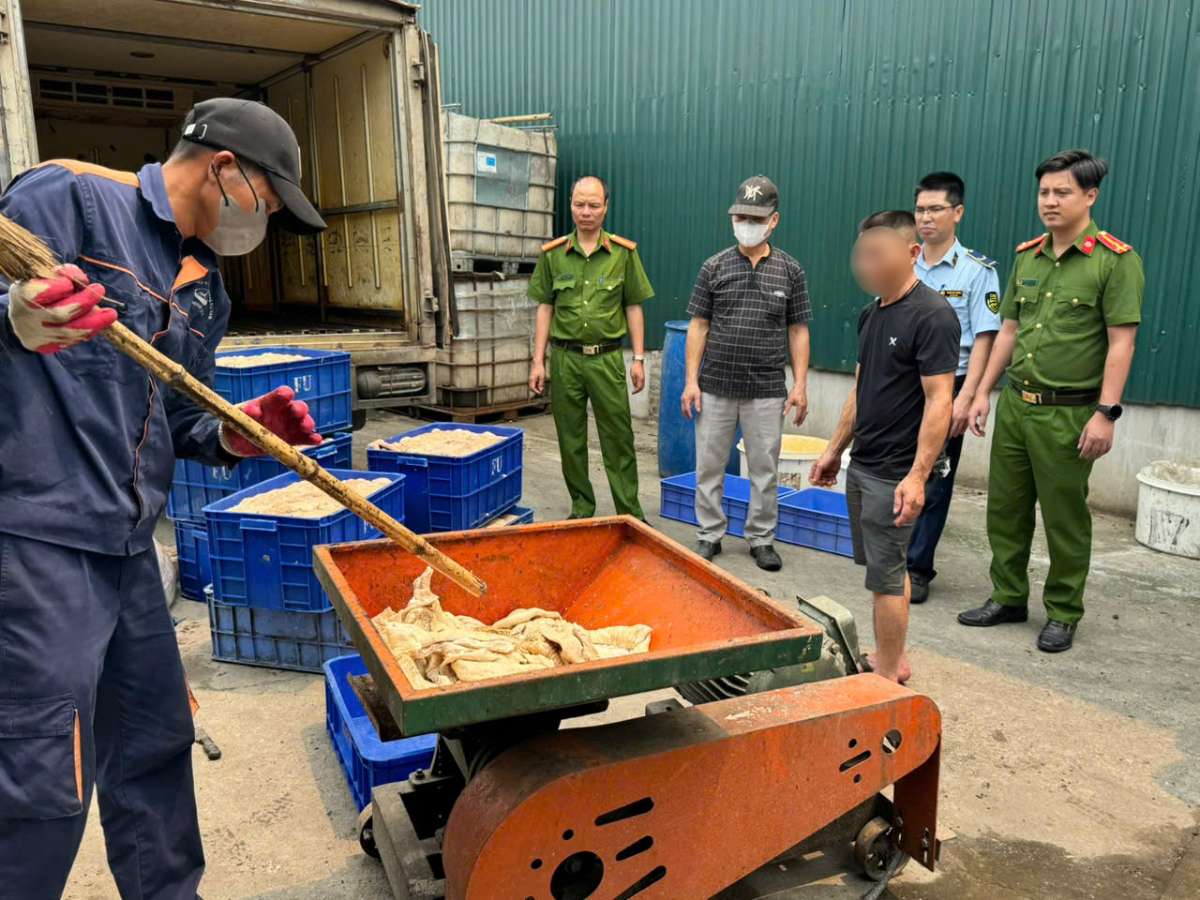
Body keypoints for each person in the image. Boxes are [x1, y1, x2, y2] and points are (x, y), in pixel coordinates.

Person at [0, 97, 326, 899]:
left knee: (152, 741)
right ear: (224, 169)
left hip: (130, 547)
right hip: (40, 537)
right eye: (269, 201)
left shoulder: (206, 287)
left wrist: (233, 434)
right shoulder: (66, 198)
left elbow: (180, 414)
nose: (264, 221)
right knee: (44, 765)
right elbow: (14, 312)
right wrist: (11, 318)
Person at [959, 150, 1144, 653]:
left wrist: (1106, 414)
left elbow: (1121, 343)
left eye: (1062, 192)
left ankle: (1063, 610)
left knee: (1064, 516)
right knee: (1006, 509)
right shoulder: (1028, 256)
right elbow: (1010, 330)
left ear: (1090, 195)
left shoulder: (1115, 262)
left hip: (1070, 413)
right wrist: (980, 393)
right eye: (1044, 192)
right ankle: (1008, 596)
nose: (1050, 201)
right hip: (1017, 406)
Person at [809, 211, 959, 683]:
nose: (869, 263)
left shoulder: (932, 315)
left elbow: (940, 402)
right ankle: (892, 654)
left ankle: (889, 672)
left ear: (912, 253)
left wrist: (917, 476)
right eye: (865, 253)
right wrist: (835, 448)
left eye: (880, 253)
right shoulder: (872, 313)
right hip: (864, 463)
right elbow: (861, 387)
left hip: (896, 472)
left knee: (887, 578)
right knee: (884, 571)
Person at [681, 175, 811, 571]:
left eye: (756, 217)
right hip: (716, 384)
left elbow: (798, 329)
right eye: (740, 215)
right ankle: (709, 534)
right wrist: (690, 380)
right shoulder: (714, 266)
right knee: (709, 464)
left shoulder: (790, 270)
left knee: (764, 468)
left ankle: (761, 538)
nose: (746, 223)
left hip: (766, 388)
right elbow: (699, 325)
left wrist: (801, 384)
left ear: (774, 221)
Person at [528, 176, 654, 519]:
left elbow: (633, 306)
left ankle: (629, 511)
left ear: (605, 207)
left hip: (607, 359)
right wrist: (538, 361)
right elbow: (545, 307)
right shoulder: (554, 256)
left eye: (594, 205)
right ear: (570, 205)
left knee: (619, 439)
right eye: (579, 204)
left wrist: (639, 358)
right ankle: (582, 508)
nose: (586, 212)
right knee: (570, 440)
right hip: (565, 360)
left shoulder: (623, 254)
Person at [906, 172, 1001, 602]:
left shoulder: (977, 272)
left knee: (934, 475)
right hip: (902, 382)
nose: (925, 217)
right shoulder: (904, 262)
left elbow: (985, 337)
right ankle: (890, 554)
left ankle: (917, 566)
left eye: (935, 209)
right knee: (891, 466)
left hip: (950, 383)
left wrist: (968, 396)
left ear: (957, 213)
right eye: (920, 209)